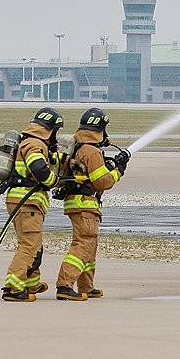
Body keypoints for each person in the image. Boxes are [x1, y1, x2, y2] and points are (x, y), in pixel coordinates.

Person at [53, 107, 129, 302]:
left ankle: (86, 286)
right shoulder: (91, 151)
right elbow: (102, 182)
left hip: (77, 202)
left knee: (90, 245)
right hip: (85, 204)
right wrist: (118, 171)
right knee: (83, 243)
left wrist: (110, 165)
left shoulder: (78, 147)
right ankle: (65, 284)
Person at [1, 107, 65, 302]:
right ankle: (13, 288)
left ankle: (30, 284)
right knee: (28, 246)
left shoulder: (28, 141)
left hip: (23, 202)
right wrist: (54, 180)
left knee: (35, 246)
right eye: (56, 131)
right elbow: (39, 169)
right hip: (27, 203)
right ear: (50, 129)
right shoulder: (35, 144)